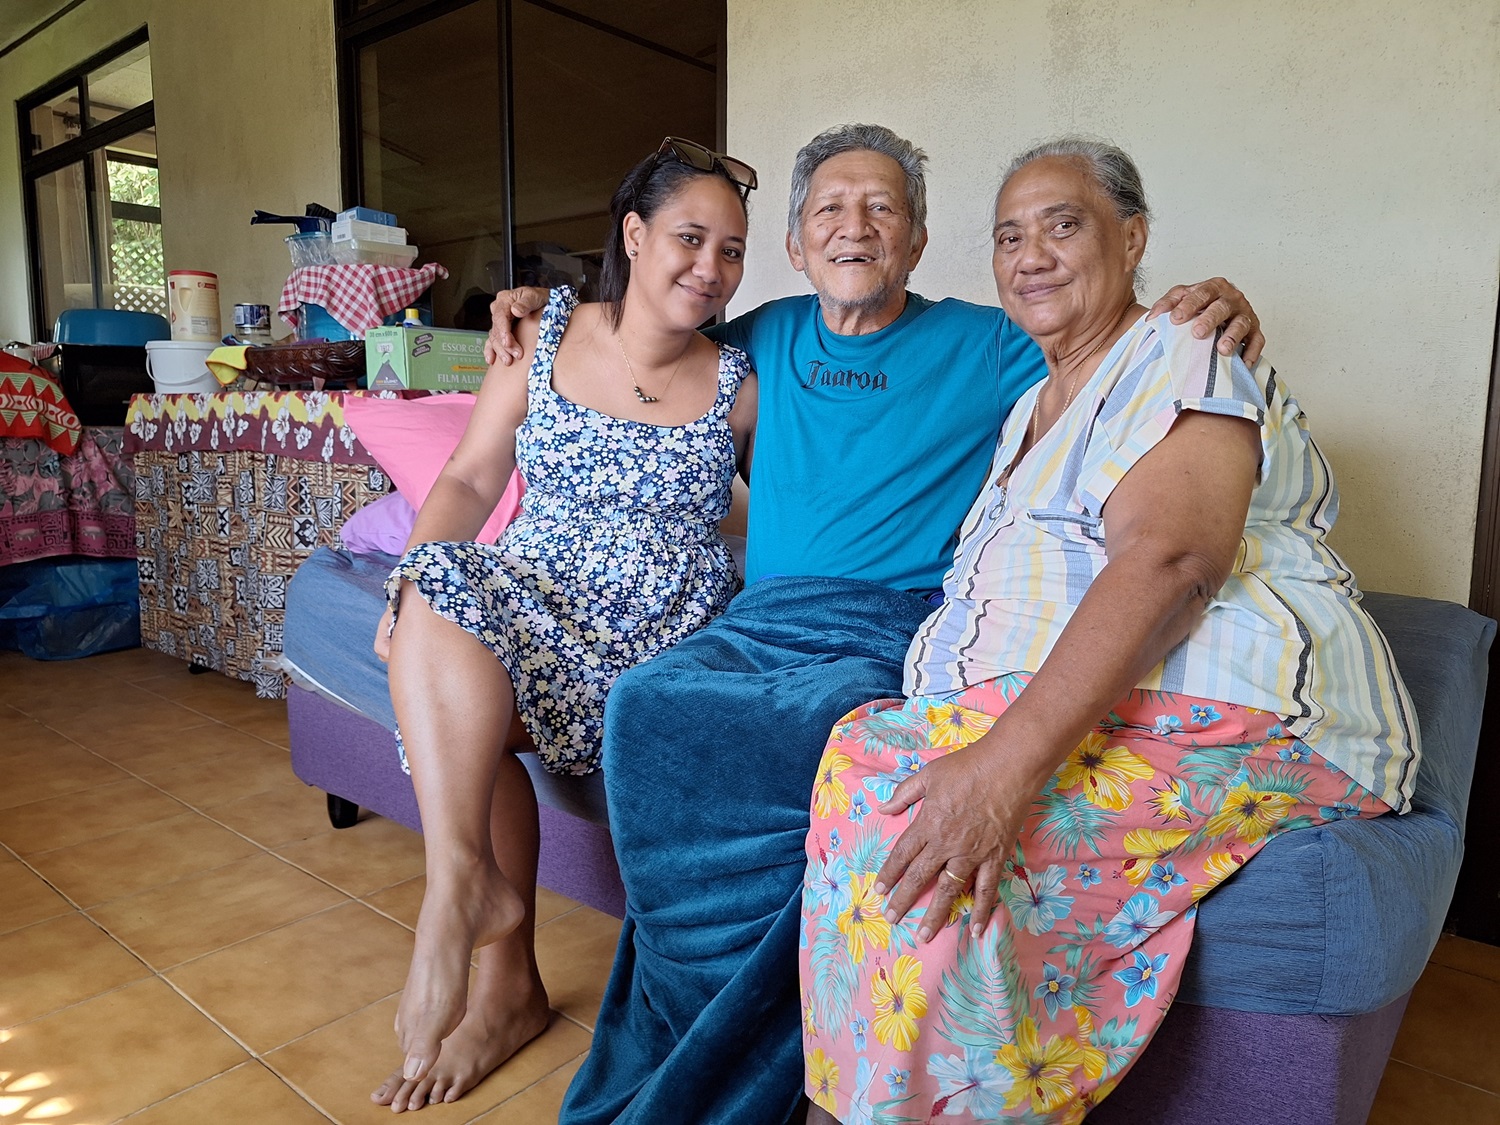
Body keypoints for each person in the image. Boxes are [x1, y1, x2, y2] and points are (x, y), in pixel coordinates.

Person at [485, 124, 1262, 1124]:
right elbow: (638, 330)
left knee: (812, 734)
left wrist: (1208, 310)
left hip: (890, 626)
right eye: (830, 212)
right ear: (800, 246)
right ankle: (696, 1020)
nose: (857, 228)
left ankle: (759, 1058)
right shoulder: (755, 336)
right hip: (760, 618)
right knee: (647, 704)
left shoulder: (986, 344)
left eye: (883, 209)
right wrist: (541, 309)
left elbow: (1102, 341)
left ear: (919, 242)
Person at [798, 138, 1417, 1124]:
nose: (1031, 252)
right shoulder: (1025, 410)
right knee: (864, 758)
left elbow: (1172, 559)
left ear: (1133, 240)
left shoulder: (1180, 343)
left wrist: (1004, 766)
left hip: (1220, 705)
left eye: (1063, 224)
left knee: (940, 858)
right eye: (1009, 236)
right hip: (1092, 704)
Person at [368, 137, 760, 1113]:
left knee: (465, 710)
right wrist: (412, 581)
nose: (710, 268)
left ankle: (496, 969)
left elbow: (790, 506)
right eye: (689, 238)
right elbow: (466, 479)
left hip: (654, 631)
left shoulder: (743, 382)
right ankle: (465, 890)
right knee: (439, 585)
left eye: (733, 250)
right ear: (634, 235)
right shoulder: (538, 339)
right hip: (534, 593)